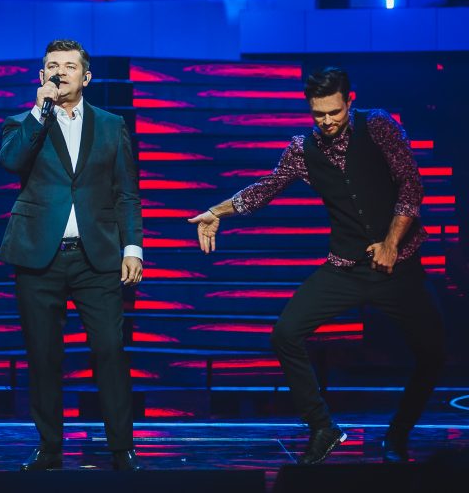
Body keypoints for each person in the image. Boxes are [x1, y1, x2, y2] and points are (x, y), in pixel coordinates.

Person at [189, 67, 444, 465]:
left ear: (350, 101)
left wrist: (391, 243)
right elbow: (266, 188)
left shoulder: (378, 127)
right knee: (285, 333)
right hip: (345, 267)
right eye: (318, 114)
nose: (326, 121)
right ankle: (322, 427)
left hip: (399, 266)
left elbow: (411, 184)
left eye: (334, 112)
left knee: (433, 354)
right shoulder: (303, 149)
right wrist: (216, 211)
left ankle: (397, 435)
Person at [0, 39, 144, 471]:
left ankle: (122, 448)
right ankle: (49, 447)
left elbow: (126, 191)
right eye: (51, 65)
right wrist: (38, 111)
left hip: (96, 256)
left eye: (69, 66)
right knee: (44, 355)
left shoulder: (112, 125)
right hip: (38, 256)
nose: (59, 72)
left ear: (86, 77)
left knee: (110, 351)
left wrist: (132, 247)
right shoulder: (22, 123)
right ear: (41, 75)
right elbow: (12, 161)